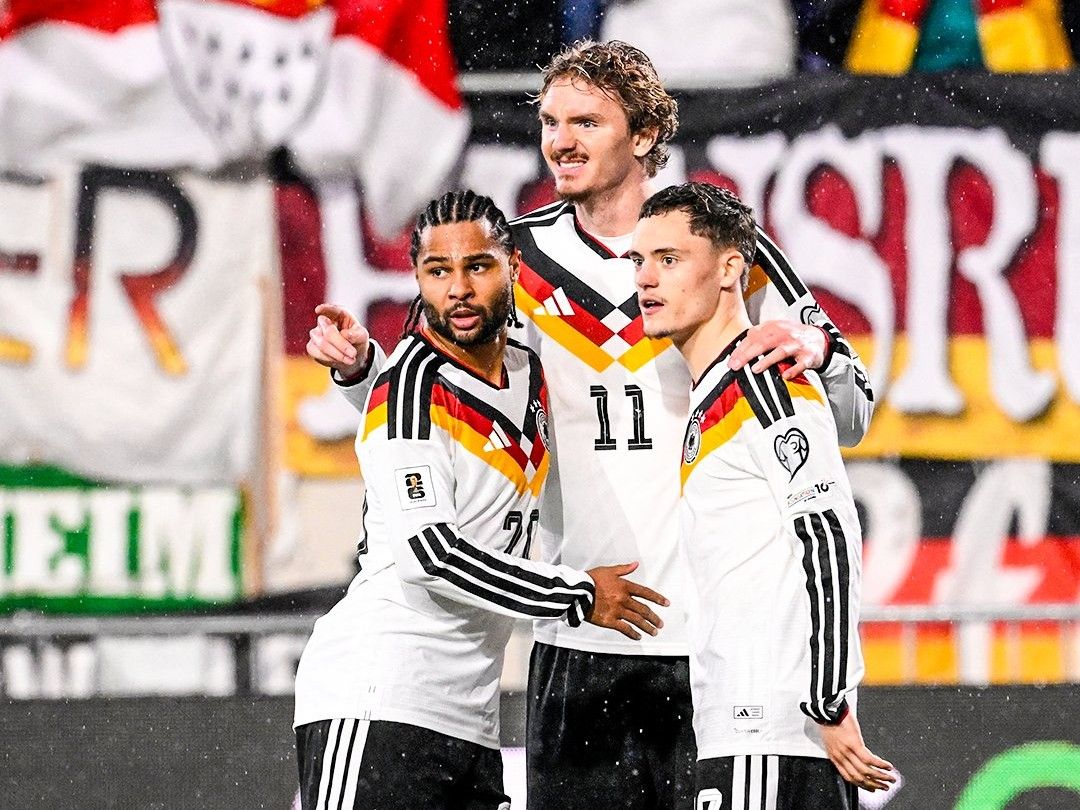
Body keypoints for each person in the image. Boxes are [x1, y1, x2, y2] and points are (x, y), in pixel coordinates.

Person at [307, 41, 874, 809]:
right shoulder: (506, 261)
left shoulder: (721, 250)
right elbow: (424, 401)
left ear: (645, 134)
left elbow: (852, 414)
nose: (560, 142)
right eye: (550, 122)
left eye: (586, 122)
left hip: (710, 649)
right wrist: (360, 370)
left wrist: (822, 350)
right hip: (579, 641)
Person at [293, 190, 668, 810]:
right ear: (417, 280)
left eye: (478, 266)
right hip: (379, 699)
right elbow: (429, 555)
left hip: (470, 719)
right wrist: (577, 594)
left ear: (513, 267)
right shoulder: (409, 389)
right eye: (438, 272)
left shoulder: (526, 370)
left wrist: (361, 369)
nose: (459, 289)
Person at [630, 182, 894, 807]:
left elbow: (828, 534)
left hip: (771, 732)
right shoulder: (713, 391)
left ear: (729, 270)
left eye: (669, 260)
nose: (645, 278)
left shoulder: (765, 379)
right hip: (739, 731)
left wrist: (828, 698)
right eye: (639, 261)